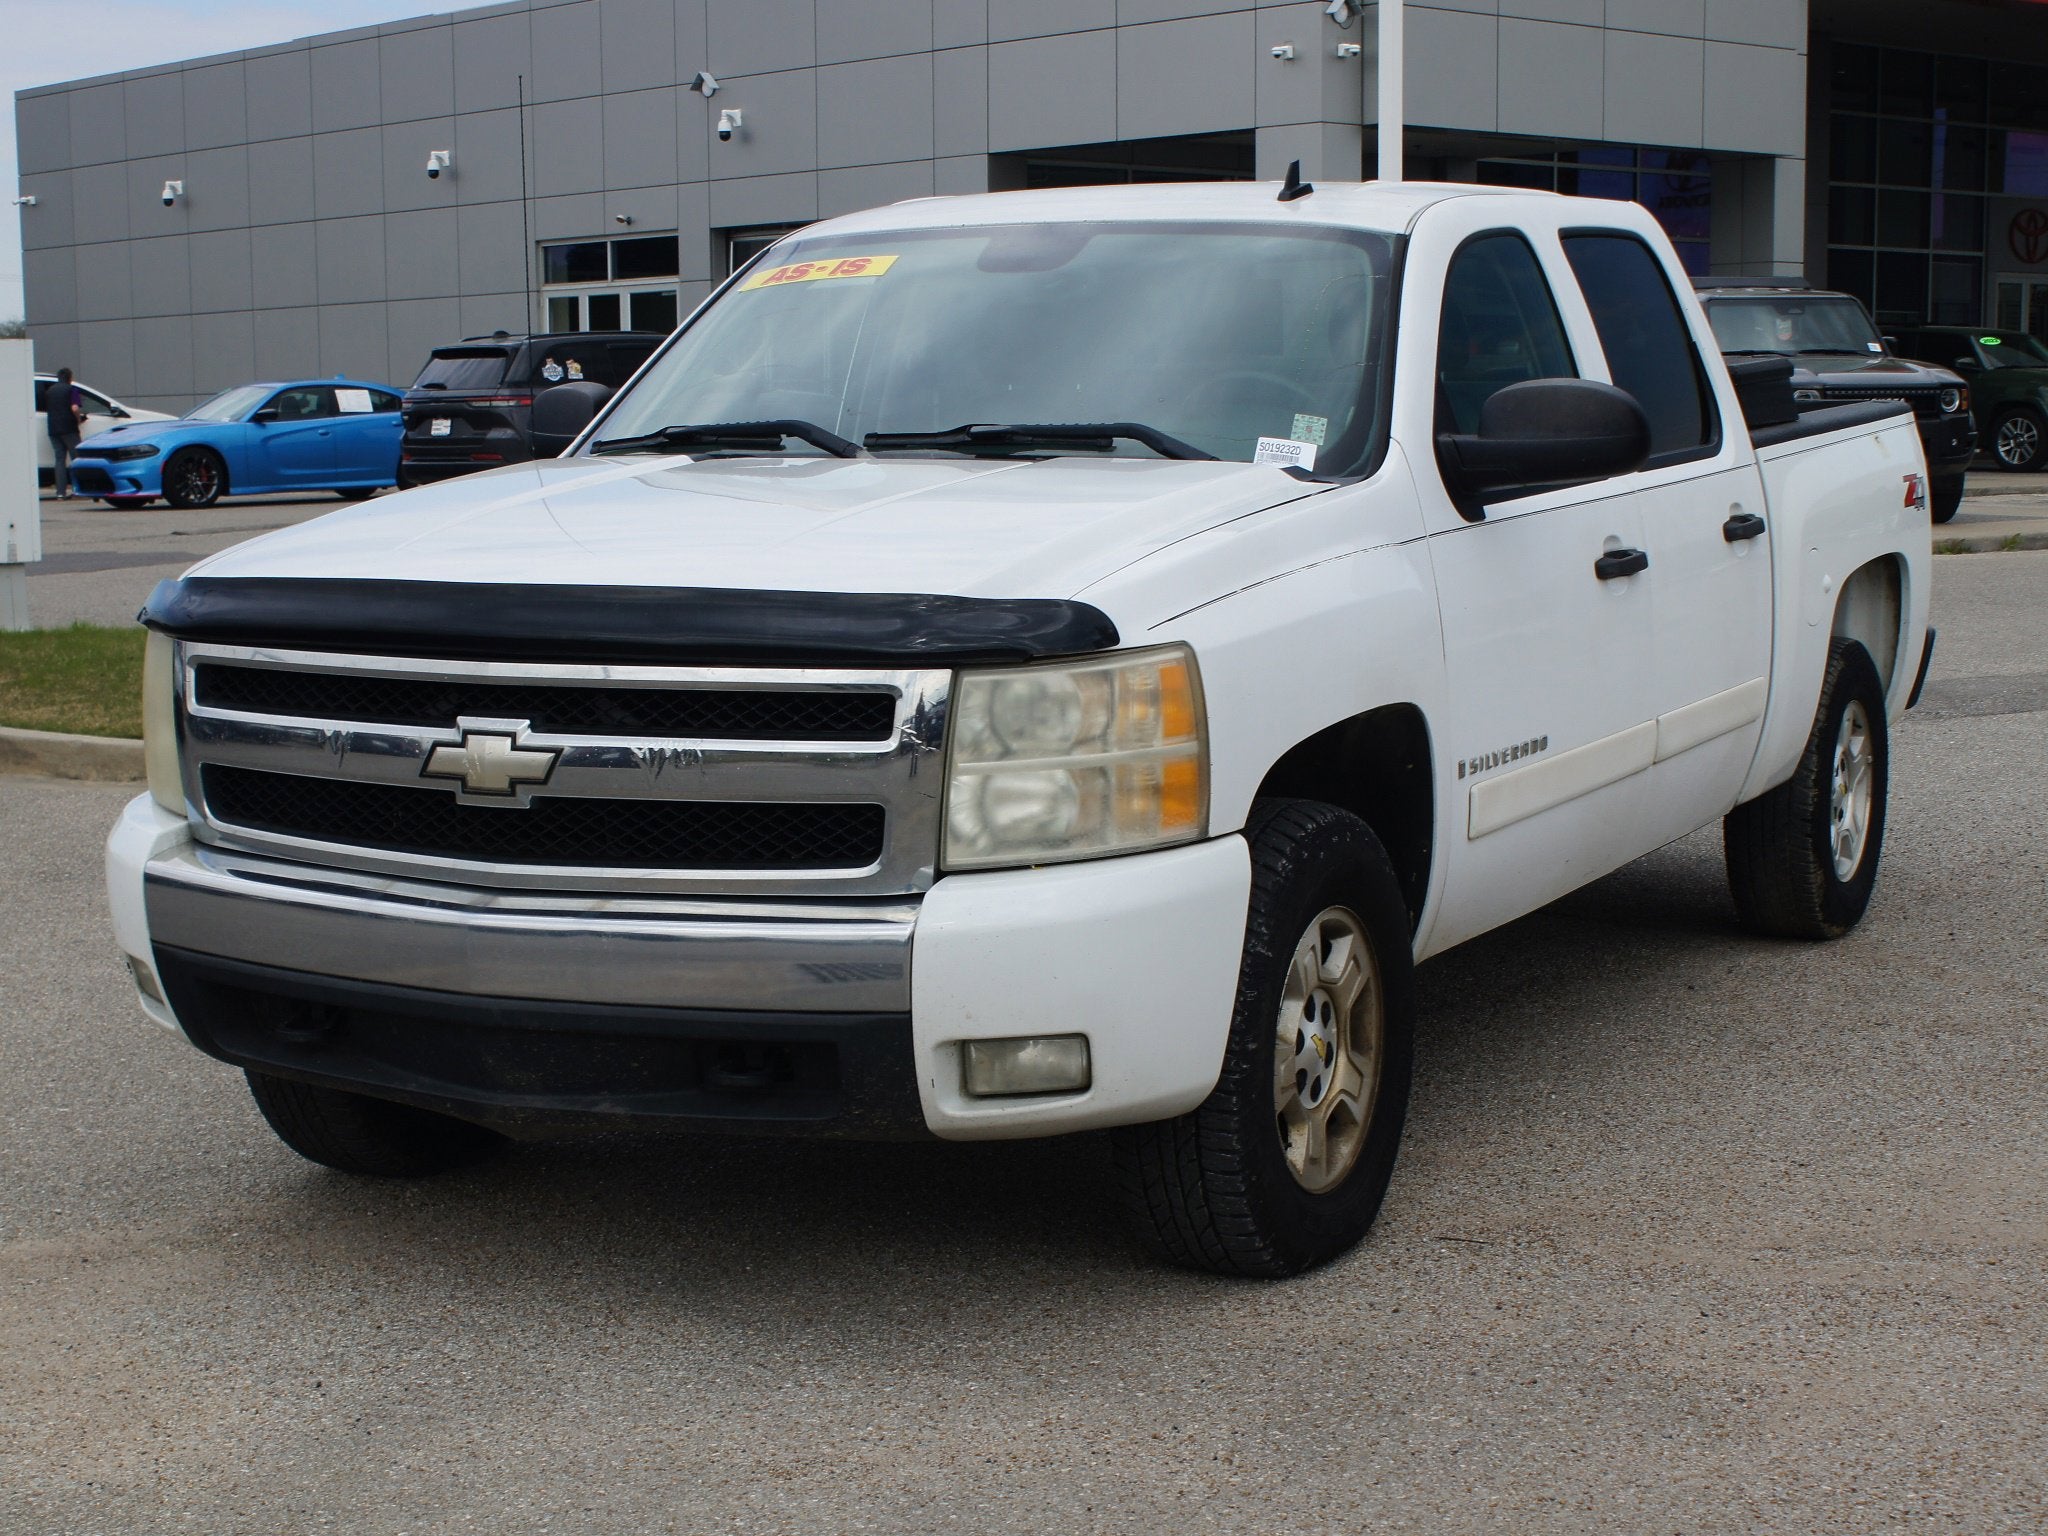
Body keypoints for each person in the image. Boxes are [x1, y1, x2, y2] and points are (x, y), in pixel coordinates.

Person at [44, 366, 85, 500]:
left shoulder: (49, 391)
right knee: (76, 459)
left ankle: (60, 493)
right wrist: (78, 419)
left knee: (59, 460)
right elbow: (74, 408)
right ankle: (78, 490)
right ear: (70, 378)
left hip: (53, 428)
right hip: (69, 428)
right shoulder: (72, 389)